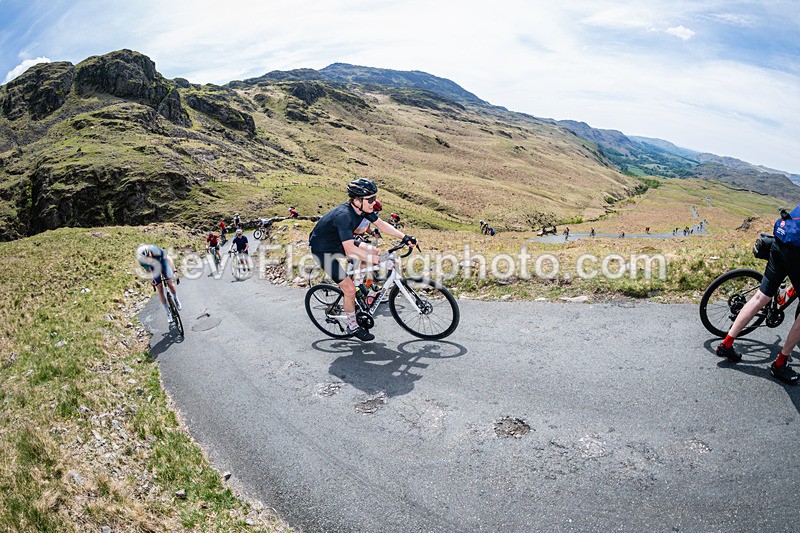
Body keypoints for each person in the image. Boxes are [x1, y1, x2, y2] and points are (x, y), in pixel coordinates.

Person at [309, 178, 415, 341]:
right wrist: (379, 262)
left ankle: (359, 284)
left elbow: (381, 224)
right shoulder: (343, 215)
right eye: (371, 199)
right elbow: (350, 249)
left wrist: (404, 236)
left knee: (373, 251)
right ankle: (352, 326)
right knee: (349, 289)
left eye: (375, 198)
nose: (374, 202)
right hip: (323, 250)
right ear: (357, 200)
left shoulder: (364, 209)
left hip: (338, 242)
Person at [715, 207, 800, 384]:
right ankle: (780, 364)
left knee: (761, 296)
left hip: (780, 241)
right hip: (796, 253)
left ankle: (727, 343)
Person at [137, 244, 182, 324]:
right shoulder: (141, 260)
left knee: (170, 283)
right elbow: (150, 271)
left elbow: (168, 259)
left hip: (162, 262)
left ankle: (175, 299)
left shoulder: (155, 250)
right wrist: (152, 280)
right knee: (160, 289)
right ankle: (168, 312)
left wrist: (174, 271)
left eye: (149, 255)